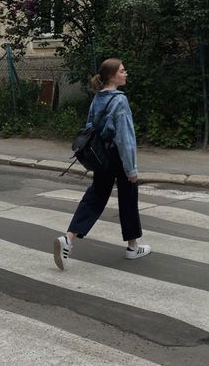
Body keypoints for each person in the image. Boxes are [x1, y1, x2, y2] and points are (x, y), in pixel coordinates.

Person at [54, 58, 151, 270]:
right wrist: (131, 169)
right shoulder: (119, 101)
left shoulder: (97, 98)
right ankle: (133, 247)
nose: (126, 74)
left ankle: (68, 239)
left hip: (101, 156)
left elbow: (90, 127)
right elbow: (125, 138)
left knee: (95, 197)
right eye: (123, 71)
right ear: (112, 76)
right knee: (128, 197)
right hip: (118, 155)